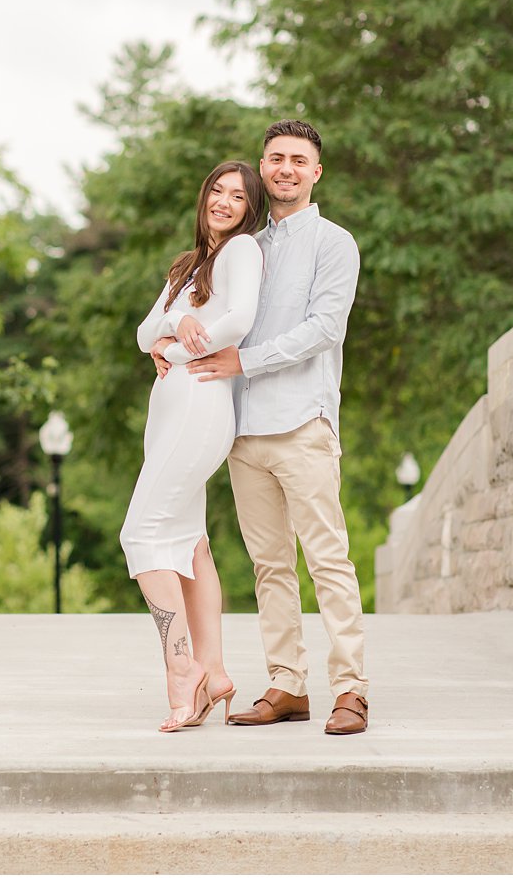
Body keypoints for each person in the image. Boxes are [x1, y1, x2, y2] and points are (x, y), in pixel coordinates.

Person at [183, 119, 370, 736]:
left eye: (297, 159)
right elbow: (201, 311)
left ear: (316, 172)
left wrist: (247, 360)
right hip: (243, 430)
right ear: (262, 169)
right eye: (274, 159)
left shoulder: (334, 243)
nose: (284, 168)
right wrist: (167, 343)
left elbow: (325, 329)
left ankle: (350, 689)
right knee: (269, 565)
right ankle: (287, 684)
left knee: (328, 560)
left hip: (301, 423)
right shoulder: (245, 247)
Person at [122, 160, 265, 732]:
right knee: (189, 543)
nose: (225, 202)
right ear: (204, 194)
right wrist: (174, 319)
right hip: (172, 411)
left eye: (238, 196)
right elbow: (142, 334)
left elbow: (238, 322)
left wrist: (174, 348)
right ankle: (217, 670)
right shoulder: (191, 264)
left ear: (250, 209)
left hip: (201, 405)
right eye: (218, 190)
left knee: (139, 534)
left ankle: (181, 670)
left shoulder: (241, 252)